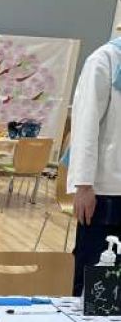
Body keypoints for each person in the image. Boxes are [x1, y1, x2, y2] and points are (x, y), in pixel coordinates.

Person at [68, 26, 121, 295]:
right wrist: (84, 185)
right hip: (105, 189)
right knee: (97, 275)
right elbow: (85, 125)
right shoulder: (105, 59)